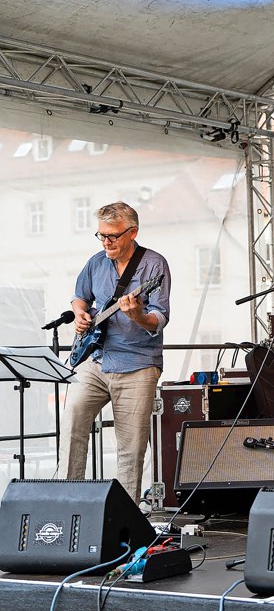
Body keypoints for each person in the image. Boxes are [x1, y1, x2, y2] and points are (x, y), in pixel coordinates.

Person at [58, 202, 171, 504]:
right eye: (101, 235)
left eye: (113, 236)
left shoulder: (154, 265)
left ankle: (124, 516)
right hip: (95, 359)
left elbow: (159, 317)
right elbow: (79, 297)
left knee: (130, 448)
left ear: (133, 232)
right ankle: (65, 503)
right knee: (72, 424)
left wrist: (138, 316)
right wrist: (80, 314)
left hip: (137, 364)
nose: (106, 242)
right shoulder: (96, 262)